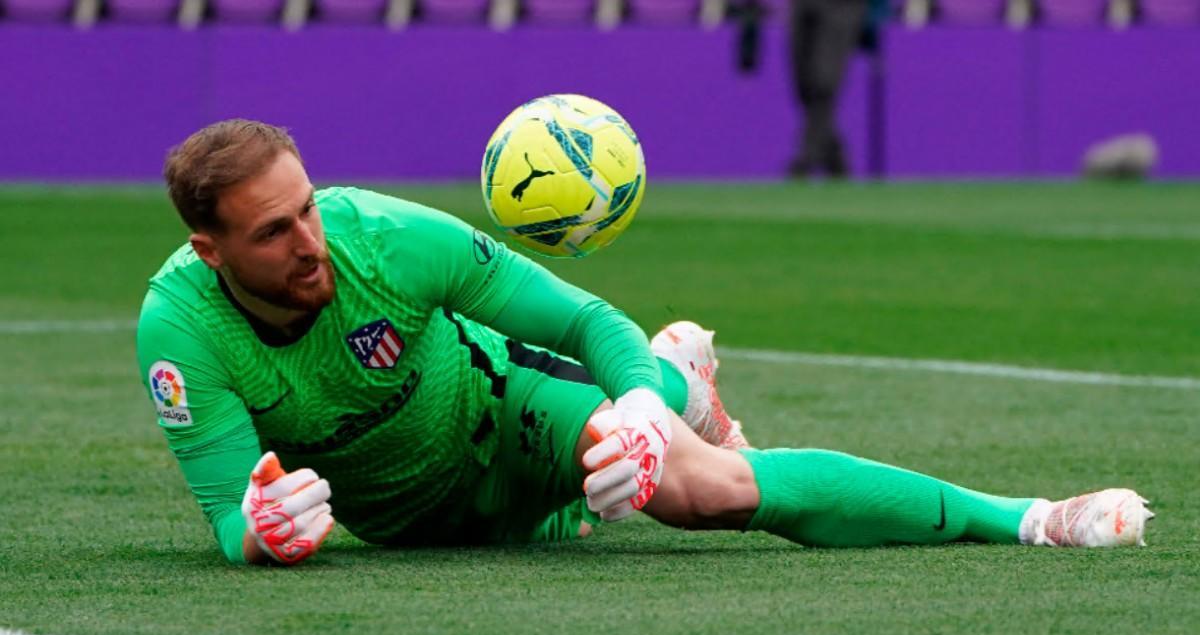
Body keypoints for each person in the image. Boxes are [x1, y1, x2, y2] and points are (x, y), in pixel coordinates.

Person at [137, 119, 1152, 566]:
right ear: (210, 247)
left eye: (308, 208)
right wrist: (262, 532)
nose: (309, 241)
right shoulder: (179, 332)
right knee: (594, 515)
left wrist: (631, 410)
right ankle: (681, 377)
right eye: (273, 231)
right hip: (435, 530)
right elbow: (232, 513)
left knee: (701, 491)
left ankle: (1024, 520)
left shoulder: (389, 238)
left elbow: (583, 323)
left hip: (507, 413)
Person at [787, 0, 871, 178]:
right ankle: (835, 158)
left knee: (824, 81)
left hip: (841, 6)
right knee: (803, 86)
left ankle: (806, 157)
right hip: (802, 5)